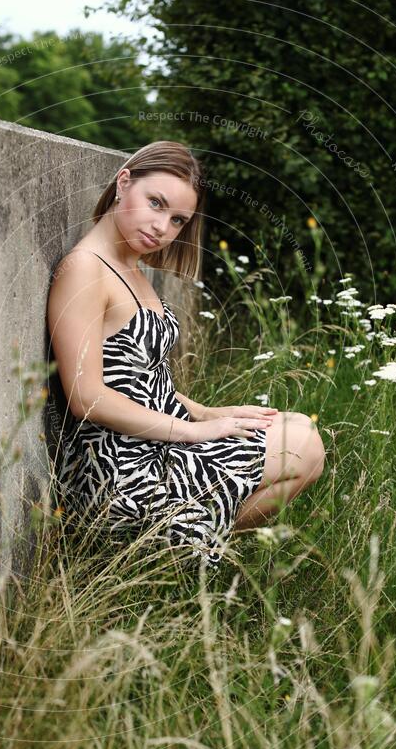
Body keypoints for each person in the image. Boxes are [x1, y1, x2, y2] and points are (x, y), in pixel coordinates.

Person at [47, 141, 325, 569]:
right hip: (120, 469)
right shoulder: (85, 267)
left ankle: (184, 543)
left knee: (296, 425)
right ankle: (161, 552)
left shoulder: (131, 266)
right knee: (302, 446)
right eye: (155, 203)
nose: (162, 227)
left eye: (177, 219)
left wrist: (211, 412)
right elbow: (86, 396)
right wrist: (194, 432)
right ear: (124, 183)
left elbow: (145, 382)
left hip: (155, 442)